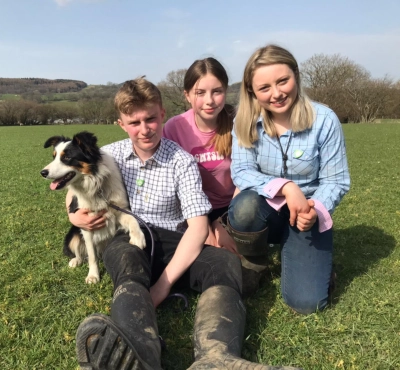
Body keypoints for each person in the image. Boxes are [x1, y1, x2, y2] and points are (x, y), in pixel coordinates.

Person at [68, 78, 301, 369]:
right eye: (134, 122)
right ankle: (140, 351)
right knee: (124, 255)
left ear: (162, 115)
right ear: (121, 124)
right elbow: (75, 182)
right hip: (130, 238)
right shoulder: (109, 155)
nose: (144, 129)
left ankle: (216, 358)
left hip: (174, 241)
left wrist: (162, 286)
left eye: (151, 119)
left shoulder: (182, 161)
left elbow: (198, 227)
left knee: (224, 263)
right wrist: (73, 213)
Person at [227, 44, 350, 315]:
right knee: (244, 208)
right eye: (265, 88)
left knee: (307, 303)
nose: (277, 93)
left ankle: (308, 259)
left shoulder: (324, 120)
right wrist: (285, 186)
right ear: (252, 91)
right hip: (265, 210)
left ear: (296, 75)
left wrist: (315, 210)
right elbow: (242, 172)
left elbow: (336, 180)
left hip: (306, 213)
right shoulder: (244, 121)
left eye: (283, 81)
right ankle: (255, 259)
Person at [163, 58, 265, 296]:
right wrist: (205, 224)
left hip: (236, 207)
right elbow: (175, 184)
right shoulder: (174, 128)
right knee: (205, 259)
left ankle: (253, 252)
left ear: (226, 91)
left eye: (217, 91)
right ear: (187, 95)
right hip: (195, 211)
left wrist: (224, 222)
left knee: (244, 277)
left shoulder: (239, 122)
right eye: (200, 92)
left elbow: (249, 174)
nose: (209, 101)